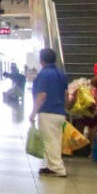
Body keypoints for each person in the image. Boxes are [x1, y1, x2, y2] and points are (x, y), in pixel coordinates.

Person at [29, 47, 70, 176]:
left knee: (49, 141)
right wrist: (66, 107)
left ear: (41, 60)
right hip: (59, 112)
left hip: (47, 111)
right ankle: (51, 165)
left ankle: (57, 168)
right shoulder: (61, 74)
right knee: (55, 140)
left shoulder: (44, 74)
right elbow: (66, 94)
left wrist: (33, 112)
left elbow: (41, 95)